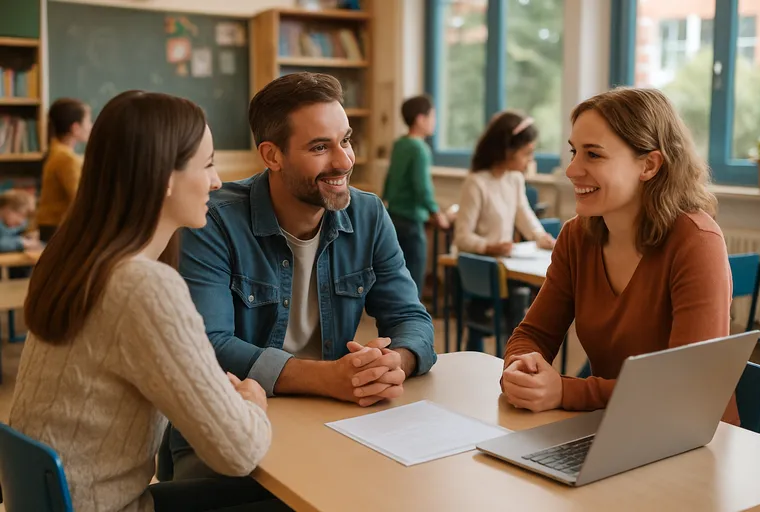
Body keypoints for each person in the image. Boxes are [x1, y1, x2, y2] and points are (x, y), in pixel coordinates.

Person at [9, 91, 282, 512]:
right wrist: (252, 400)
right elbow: (239, 452)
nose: (217, 180)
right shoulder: (141, 285)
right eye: (207, 163)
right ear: (165, 176)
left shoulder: (73, 260)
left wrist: (205, 385)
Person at [169, 71, 437, 480]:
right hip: (228, 426)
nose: (345, 160)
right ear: (272, 155)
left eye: (345, 140)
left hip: (332, 421)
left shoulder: (369, 214)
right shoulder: (212, 221)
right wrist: (328, 377)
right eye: (320, 147)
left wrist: (391, 364)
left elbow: (411, 319)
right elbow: (209, 346)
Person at [500, 87, 739, 425]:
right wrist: (520, 368)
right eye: (574, 152)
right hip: (610, 428)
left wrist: (566, 392)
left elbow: (685, 387)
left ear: (650, 164)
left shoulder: (696, 242)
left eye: (593, 155)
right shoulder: (576, 236)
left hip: (691, 441)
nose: (572, 170)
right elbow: (532, 335)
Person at [453, 111, 557, 351]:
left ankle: (517, 353)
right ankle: (508, 355)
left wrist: (541, 237)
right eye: (526, 153)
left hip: (505, 268)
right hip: (482, 272)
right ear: (507, 150)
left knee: (528, 301)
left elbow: (524, 215)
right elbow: (462, 237)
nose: (529, 160)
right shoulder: (476, 183)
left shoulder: (515, 180)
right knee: (518, 304)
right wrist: (489, 247)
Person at [382, 94, 449, 296]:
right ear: (420, 119)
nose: (434, 122)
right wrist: (437, 213)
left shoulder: (400, 144)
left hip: (393, 215)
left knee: (394, 273)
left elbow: (390, 179)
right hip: (411, 220)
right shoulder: (420, 148)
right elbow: (422, 187)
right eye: (432, 117)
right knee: (414, 279)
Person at [37, 98, 92, 242]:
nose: (90, 126)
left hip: (51, 226)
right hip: (58, 228)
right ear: (75, 127)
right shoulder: (66, 158)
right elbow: (80, 197)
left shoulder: (56, 151)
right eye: (88, 121)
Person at [0, 189, 41, 253]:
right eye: (20, 215)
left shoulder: (18, 226)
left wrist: (27, 237)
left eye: (25, 217)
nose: (21, 221)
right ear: (6, 209)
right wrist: (21, 243)